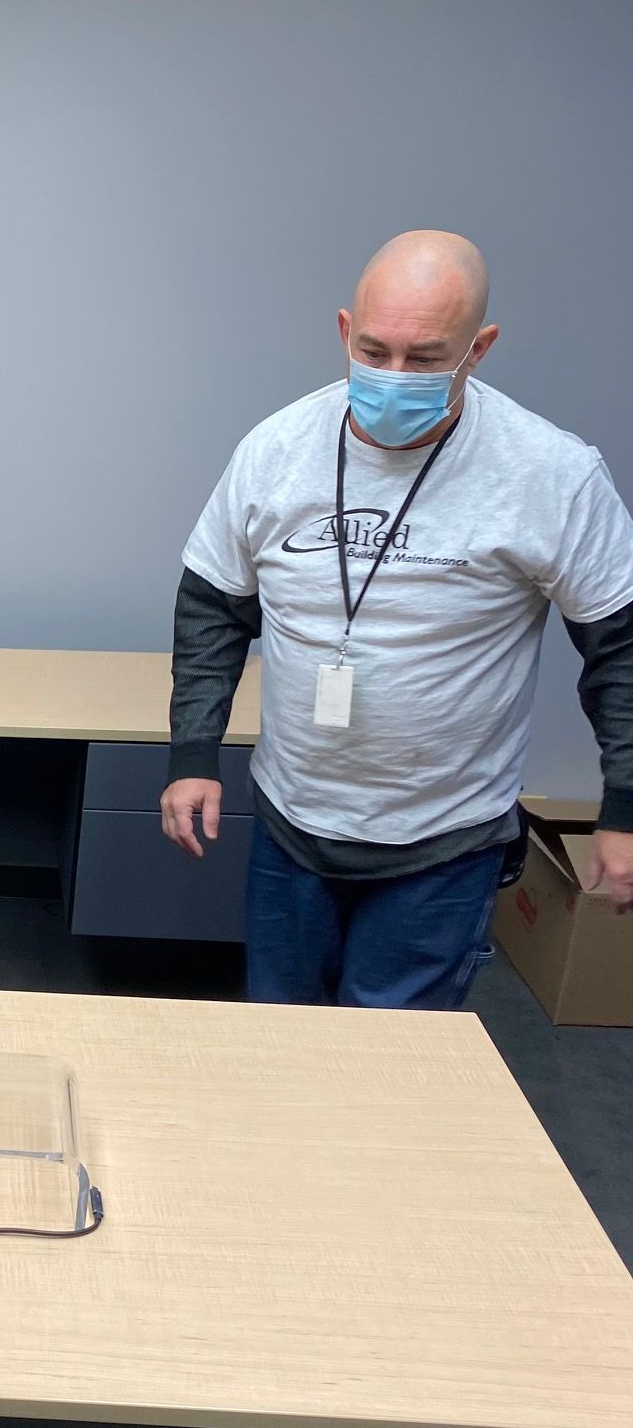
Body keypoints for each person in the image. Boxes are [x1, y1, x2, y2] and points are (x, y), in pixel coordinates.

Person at [162, 230, 633, 1009]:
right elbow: (212, 606)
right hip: (293, 823)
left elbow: (620, 649)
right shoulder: (275, 450)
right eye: (374, 351)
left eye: (424, 358)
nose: (392, 376)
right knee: (276, 1037)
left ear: (478, 348)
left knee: (390, 1069)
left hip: (444, 841)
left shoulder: (552, 474)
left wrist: (624, 807)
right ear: (346, 331)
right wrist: (191, 753)